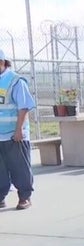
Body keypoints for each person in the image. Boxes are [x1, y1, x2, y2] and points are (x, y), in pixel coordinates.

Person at [0, 49, 36, 210]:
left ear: (2, 62)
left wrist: (19, 130)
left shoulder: (15, 81)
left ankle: (24, 197)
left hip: (14, 135)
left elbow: (24, 107)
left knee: (19, 167)